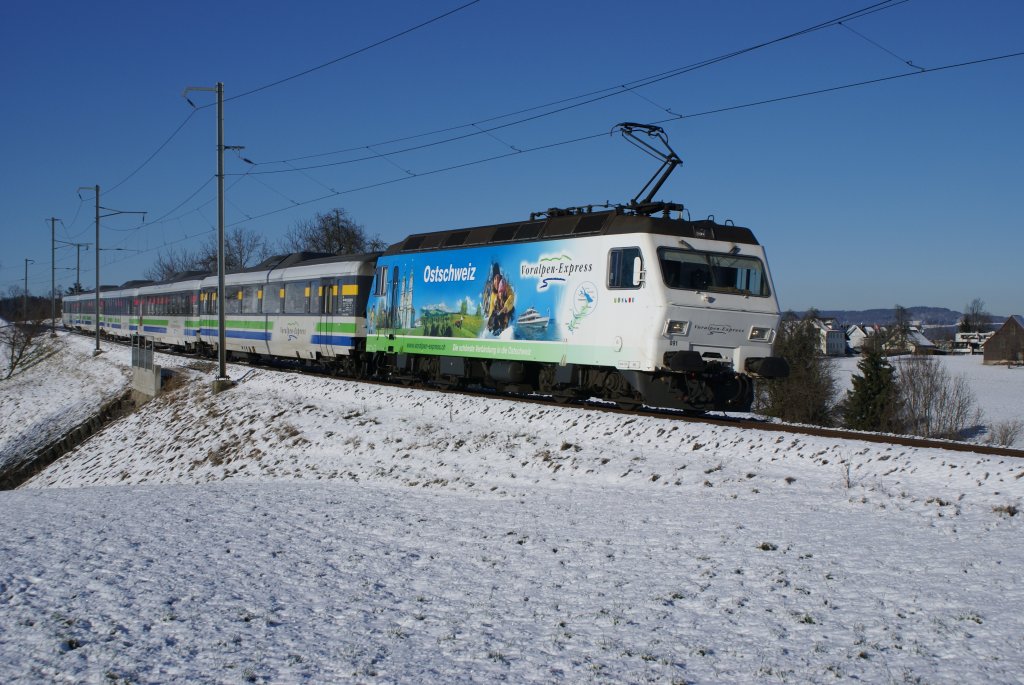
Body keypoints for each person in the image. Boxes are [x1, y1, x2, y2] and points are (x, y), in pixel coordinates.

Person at [484, 264, 516, 335]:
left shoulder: (505, 286)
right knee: (495, 314)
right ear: (493, 280)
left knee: (508, 311)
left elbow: (511, 295)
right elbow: (491, 309)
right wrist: (489, 323)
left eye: (498, 278)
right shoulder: (493, 294)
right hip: (499, 312)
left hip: (507, 309)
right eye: (495, 279)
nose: (497, 281)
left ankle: (505, 327)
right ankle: (494, 330)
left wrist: (506, 306)